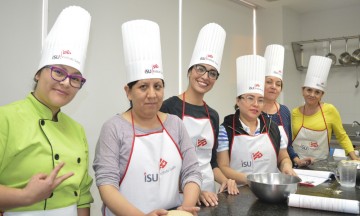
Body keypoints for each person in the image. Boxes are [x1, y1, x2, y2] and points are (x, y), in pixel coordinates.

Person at [93, 19, 202, 216]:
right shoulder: (114, 128)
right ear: (128, 91)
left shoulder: (175, 124)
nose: (152, 94)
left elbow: (192, 171)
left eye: (157, 86)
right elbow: (106, 184)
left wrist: (186, 207)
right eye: (143, 87)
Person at [0, 6, 93, 216]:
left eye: (75, 78)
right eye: (58, 71)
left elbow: (83, 195)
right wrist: (25, 196)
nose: (66, 83)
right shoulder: (5, 119)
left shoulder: (77, 130)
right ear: (38, 74)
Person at [160, 23, 239, 207]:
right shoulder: (168, 108)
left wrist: (225, 180)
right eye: (200, 69)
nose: (205, 76)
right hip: (178, 197)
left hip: (210, 197)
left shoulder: (213, 115)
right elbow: (164, 162)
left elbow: (211, 162)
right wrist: (194, 191)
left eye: (212, 73)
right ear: (189, 71)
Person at [217, 55, 296, 185]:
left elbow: (283, 157)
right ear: (238, 100)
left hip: (271, 191)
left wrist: (286, 166)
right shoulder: (226, 129)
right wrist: (251, 180)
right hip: (239, 193)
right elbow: (223, 166)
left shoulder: (272, 127)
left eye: (260, 100)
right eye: (250, 98)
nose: (256, 104)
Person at [291, 55, 359, 163]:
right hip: (297, 163)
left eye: (317, 92)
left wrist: (354, 158)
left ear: (322, 94)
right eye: (309, 90)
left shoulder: (330, 110)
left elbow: (342, 136)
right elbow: (290, 140)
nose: (312, 95)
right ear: (303, 91)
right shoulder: (295, 112)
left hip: (320, 164)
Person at [261, 44, 310, 167]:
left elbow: (287, 146)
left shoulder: (284, 111)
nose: (273, 87)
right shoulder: (253, 111)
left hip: (284, 168)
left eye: (278, 84)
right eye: (268, 82)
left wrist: (297, 160)